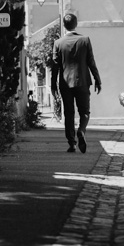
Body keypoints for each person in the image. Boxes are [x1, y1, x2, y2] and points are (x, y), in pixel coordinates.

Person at [51, 13, 102, 153]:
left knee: (68, 113)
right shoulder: (85, 40)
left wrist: (53, 86)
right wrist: (98, 80)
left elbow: (55, 66)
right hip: (83, 82)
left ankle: (72, 143)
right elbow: (91, 61)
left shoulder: (58, 43)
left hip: (65, 83)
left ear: (63, 25)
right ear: (76, 24)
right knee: (84, 111)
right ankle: (81, 130)